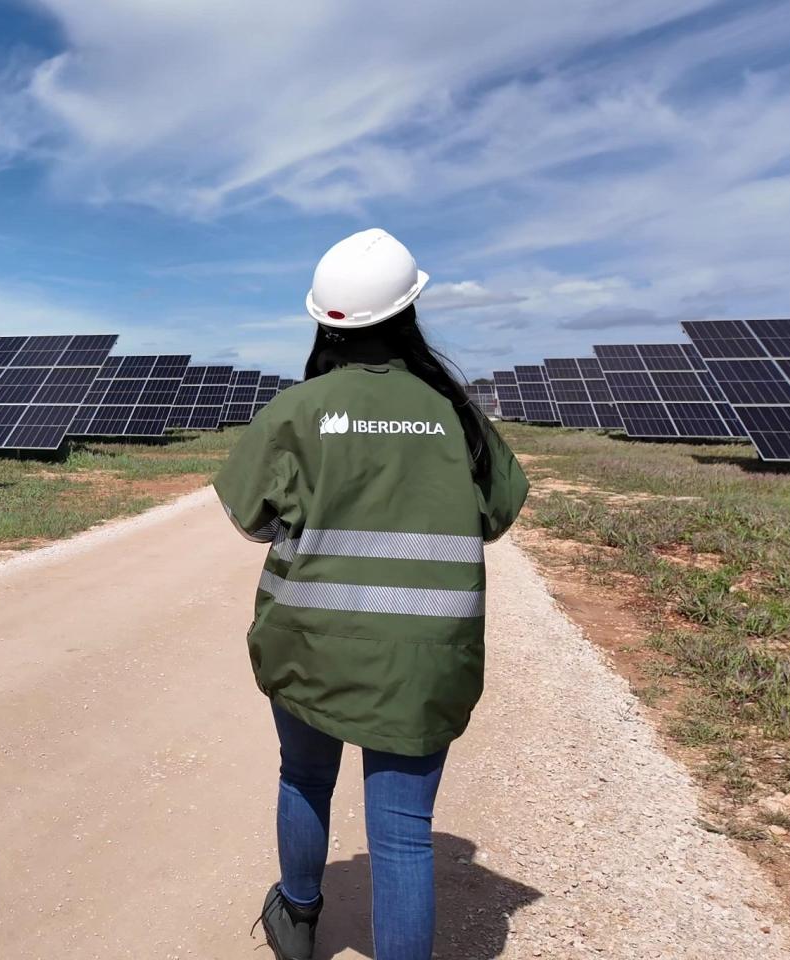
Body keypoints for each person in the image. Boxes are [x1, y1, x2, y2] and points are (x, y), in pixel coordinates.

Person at [214, 228, 529, 960]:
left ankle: (297, 921)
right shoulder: (457, 416)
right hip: (423, 659)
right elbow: (496, 515)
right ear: (409, 311)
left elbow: (250, 519)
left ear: (323, 320)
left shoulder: (298, 411)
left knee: (304, 776)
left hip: (310, 647)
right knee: (403, 836)